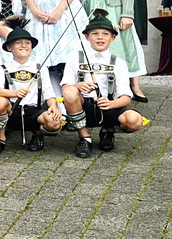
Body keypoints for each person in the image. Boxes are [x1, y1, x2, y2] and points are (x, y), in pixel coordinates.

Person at [61, 9, 145, 158]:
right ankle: (84, 138)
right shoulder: (75, 57)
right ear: (86, 36)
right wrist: (77, 86)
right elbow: (65, 87)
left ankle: (108, 131)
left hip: (108, 106)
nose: (100, 37)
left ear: (113, 37)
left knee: (134, 121)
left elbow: (126, 97)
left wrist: (111, 104)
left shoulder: (119, 63)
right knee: (69, 92)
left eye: (105, 34)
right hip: (83, 106)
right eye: (95, 33)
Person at [0, 18, 61, 154]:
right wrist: (15, 93)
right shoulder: (3, 68)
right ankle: (0, 139)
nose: (24, 45)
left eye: (27, 43)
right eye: (18, 43)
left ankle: (38, 134)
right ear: (9, 47)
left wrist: (53, 106)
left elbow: (49, 92)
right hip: (12, 111)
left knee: (54, 122)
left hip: (34, 111)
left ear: (31, 47)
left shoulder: (40, 68)